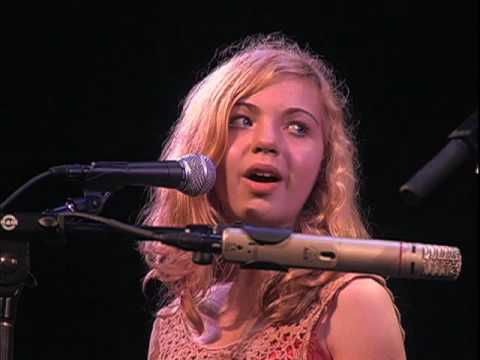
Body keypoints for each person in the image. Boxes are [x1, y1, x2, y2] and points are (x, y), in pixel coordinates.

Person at [139, 33, 406, 359]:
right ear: (204, 149)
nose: (266, 141)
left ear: (324, 164)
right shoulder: (173, 326)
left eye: (297, 127)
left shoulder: (353, 304)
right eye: (242, 120)